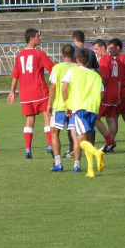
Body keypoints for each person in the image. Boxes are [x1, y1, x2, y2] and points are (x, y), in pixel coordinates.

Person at [7, 28, 55, 159]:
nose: (40, 38)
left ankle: (28, 149)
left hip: (25, 94)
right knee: (47, 117)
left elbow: (15, 75)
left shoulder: (20, 55)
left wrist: (12, 91)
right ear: (32, 38)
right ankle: (51, 145)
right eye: (38, 36)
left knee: (29, 120)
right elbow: (52, 69)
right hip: (40, 91)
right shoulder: (39, 54)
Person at [62, 48, 105, 178]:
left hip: (79, 108)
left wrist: (67, 105)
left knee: (81, 141)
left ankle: (97, 153)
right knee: (88, 139)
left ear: (77, 60)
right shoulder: (96, 75)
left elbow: (64, 89)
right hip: (92, 109)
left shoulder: (72, 72)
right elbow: (102, 93)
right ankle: (90, 169)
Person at [63, 30, 101, 158]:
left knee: (74, 128)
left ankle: (74, 150)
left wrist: (66, 104)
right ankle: (91, 150)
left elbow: (64, 87)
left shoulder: (73, 54)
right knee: (90, 129)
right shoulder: (91, 52)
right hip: (92, 102)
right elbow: (98, 70)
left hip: (78, 100)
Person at [47, 44, 80, 172]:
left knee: (54, 133)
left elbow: (54, 87)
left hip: (60, 106)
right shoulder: (78, 67)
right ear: (73, 55)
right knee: (75, 135)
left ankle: (58, 163)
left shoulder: (57, 68)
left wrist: (49, 103)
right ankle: (77, 165)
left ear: (62, 54)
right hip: (74, 106)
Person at [92, 39, 118, 153]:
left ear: (103, 47)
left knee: (95, 118)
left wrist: (98, 91)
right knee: (110, 119)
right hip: (115, 92)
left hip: (107, 93)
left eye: (97, 49)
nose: (96, 52)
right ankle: (110, 145)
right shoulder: (113, 59)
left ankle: (109, 142)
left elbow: (105, 78)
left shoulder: (104, 59)